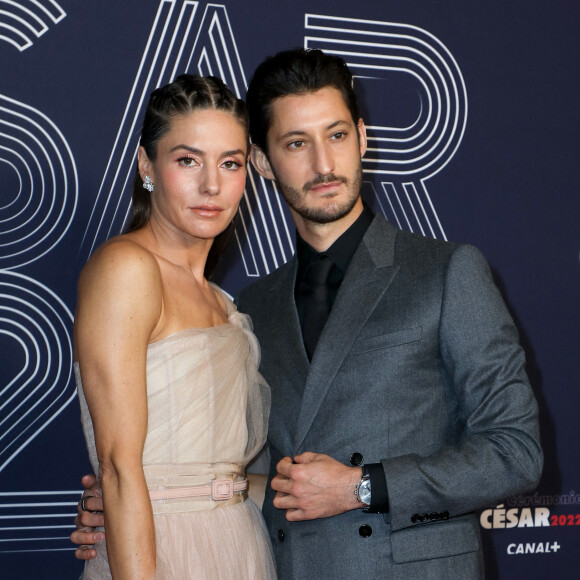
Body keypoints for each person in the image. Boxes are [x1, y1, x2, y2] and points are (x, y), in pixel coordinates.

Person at [73, 49, 543, 578]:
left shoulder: (447, 272)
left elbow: (516, 452)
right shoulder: (252, 307)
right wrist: (149, 500)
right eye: (297, 143)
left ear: (363, 138)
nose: (324, 164)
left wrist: (363, 487)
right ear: (264, 164)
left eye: (337, 135)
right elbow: (252, 477)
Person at [72, 74, 276, 579]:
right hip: (160, 554)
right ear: (147, 165)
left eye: (229, 163)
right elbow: (120, 471)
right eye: (188, 160)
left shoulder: (222, 301)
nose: (212, 185)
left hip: (237, 546)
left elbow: (218, 470)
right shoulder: (126, 268)